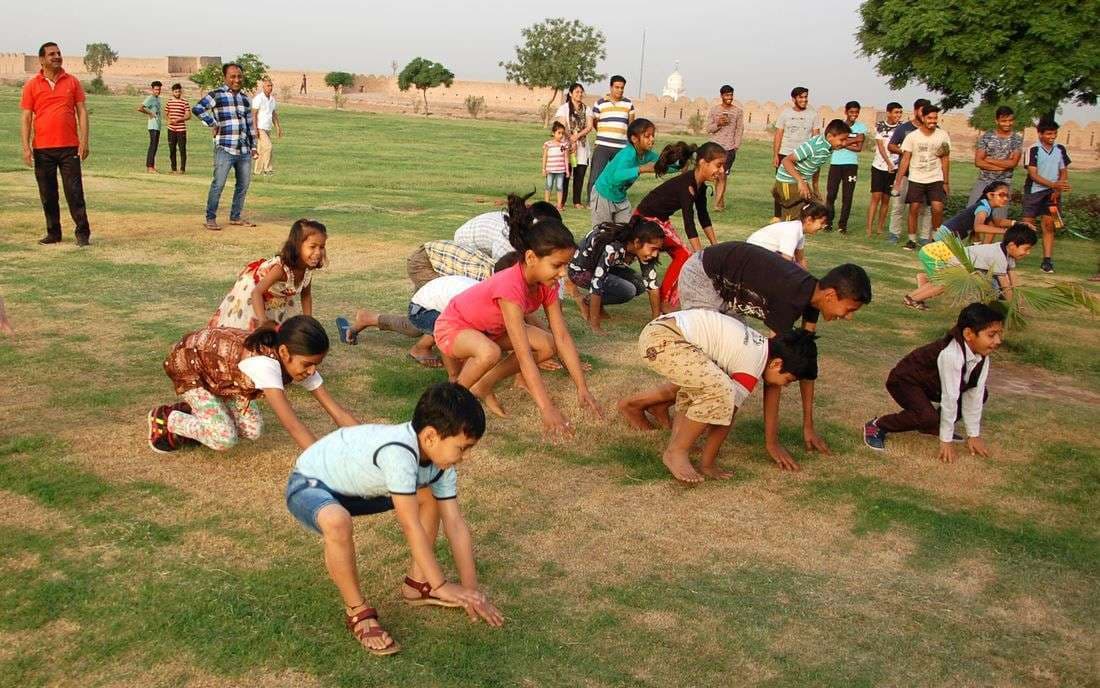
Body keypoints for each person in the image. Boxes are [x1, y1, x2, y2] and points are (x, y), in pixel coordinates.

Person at [285, 382, 504, 657]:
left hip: (359, 490)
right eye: (462, 448)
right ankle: (358, 611)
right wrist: (442, 584)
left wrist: (471, 592)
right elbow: (410, 525)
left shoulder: (441, 464)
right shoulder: (399, 453)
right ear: (431, 437)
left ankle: (416, 585)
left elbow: (455, 525)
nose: (463, 458)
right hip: (310, 484)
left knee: (430, 497)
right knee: (337, 520)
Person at [677, 241, 872, 470]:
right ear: (830, 295)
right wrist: (772, 443)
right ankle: (675, 440)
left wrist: (808, 426)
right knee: (714, 363)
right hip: (703, 275)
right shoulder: (789, 298)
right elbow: (775, 369)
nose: (848, 317)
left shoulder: (812, 299)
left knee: (727, 366)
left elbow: (805, 360)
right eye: (849, 310)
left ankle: (656, 406)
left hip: (726, 287)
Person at [433, 201, 603, 430]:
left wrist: (582, 387)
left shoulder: (547, 284)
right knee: (489, 352)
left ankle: (483, 385)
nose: (563, 273)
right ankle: (453, 402)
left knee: (547, 344)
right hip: (454, 328)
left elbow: (561, 336)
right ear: (531, 257)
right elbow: (522, 355)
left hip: (489, 331)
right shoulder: (511, 286)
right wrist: (546, 408)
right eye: (557, 265)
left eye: (566, 265)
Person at [620, 313, 818, 483]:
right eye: (789, 380)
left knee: (702, 388)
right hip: (662, 340)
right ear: (776, 364)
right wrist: (708, 464)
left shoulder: (757, 347)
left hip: (661, 334)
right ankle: (676, 453)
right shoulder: (753, 361)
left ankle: (677, 447)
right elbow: (727, 414)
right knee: (721, 389)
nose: (784, 385)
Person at [148, 315, 358, 453]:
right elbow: (293, 425)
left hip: (225, 377)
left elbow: (337, 411)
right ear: (284, 352)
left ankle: (203, 413)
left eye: (316, 364)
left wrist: (373, 445)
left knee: (252, 430)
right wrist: (324, 465)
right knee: (225, 438)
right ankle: (169, 418)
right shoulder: (264, 366)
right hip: (191, 366)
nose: (312, 370)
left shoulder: (296, 359)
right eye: (308, 364)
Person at [864, 303, 1003, 463]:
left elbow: (975, 394)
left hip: (930, 385)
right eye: (991, 335)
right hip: (904, 380)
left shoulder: (982, 356)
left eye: (999, 334)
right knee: (926, 416)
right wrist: (946, 440)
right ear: (968, 334)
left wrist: (974, 435)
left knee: (982, 393)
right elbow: (950, 397)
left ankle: (930, 426)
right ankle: (878, 425)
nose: (998, 341)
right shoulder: (951, 354)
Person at [337, 253, 523, 370]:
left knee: (413, 329)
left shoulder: (492, 289)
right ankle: (419, 349)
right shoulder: (483, 298)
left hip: (432, 300)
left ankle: (368, 318)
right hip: (423, 306)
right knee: (445, 330)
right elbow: (456, 327)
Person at [634, 142, 726, 308]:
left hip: (660, 220)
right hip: (646, 219)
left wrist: (716, 247)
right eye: (718, 165)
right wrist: (700, 256)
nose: (721, 171)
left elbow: (703, 217)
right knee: (684, 255)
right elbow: (689, 222)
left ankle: (665, 300)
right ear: (703, 163)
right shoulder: (687, 184)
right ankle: (664, 301)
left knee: (684, 255)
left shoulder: (700, 187)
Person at [20, 41, 92, 246]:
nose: (57, 56)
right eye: (52, 54)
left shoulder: (72, 82)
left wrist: (84, 141)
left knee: (74, 192)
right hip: (42, 149)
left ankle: (82, 233)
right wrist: (26, 147)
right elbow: (26, 117)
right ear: (42, 60)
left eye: (59, 53)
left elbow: (82, 112)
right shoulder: (32, 85)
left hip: (69, 147)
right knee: (48, 194)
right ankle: (53, 233)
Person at [209, 219, 327, 329]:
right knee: (249, 329)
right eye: (312, 247)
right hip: (253, 290)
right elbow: (257, 292)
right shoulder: (280, 269)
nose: (318, 252)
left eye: (321, 247)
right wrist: (263, 321)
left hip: (275, 296)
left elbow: (306, 295)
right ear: (296, 246)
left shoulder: (307, 269)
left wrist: (309, 321)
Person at [903, 224, 1036, 310]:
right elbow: (1006, 286)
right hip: (958, 263)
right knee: (943, 285)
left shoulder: (1007, 254)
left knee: (939, 283)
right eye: (1026, 249)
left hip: (963, 265)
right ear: (1012, 246)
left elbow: (1012, 277)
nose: (1028, 253)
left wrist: (1018, 297)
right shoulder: (999, 256)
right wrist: (1014, 307)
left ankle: (910, 297)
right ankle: (914, 299)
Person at [567, 218, 665, 333]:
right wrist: (595, 326)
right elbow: (597, 283)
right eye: (653, 249)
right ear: (637, 243)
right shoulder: (613, 247)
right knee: (628, 290)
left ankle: (592, 301)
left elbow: (652, 284)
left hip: (603, 268)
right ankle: (589, 303)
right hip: (579, 272)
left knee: (640, 284)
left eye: (658, 250)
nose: (655, 254)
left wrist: (655, 322)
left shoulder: (638, 247)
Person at [192, 62, 257, 231]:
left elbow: (250, 124)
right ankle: (210, 218)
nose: (237, 79)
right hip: (225, 148)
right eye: (233, 76)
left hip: (244, 150)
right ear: (225, 77)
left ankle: (235, 216)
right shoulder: (217, 95)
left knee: (243, 185)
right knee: (218, 184)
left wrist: (254, 146)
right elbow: (198, 108)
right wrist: (212, 123)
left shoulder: (244, 99)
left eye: (239, 76)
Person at [893, 104, 951, 251]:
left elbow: (945, 158)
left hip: (935, 177)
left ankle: (935, 239)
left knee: (937, 208)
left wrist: (945, 181)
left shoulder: (942, 135)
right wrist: (898, 182)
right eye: (930, 118)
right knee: (914, 208)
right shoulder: (913, 136)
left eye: (935, 118)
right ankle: (912, 240)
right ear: (923, 118)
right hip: (916, 177)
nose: (933, 121)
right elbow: (905, 159)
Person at [773, 119, 853, 222]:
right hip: (787, 181)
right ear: (829, 137)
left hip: (800, 181)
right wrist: (801, 181)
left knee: (812, 210)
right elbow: (786, 160)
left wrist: (815, 188)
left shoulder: (828, 148)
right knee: (793, 214)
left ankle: (790, 231)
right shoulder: (815, 146)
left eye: (846, 140)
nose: (844, 143)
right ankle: (782, 232)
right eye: (842, 140)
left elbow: (816, 165)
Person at [1022, 120, 1072, 273]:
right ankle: (1014, 255)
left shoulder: (1060, 149)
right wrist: (1053, 185)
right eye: (1049, 133)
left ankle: (1047, 261)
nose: (1052, 136)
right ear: (1040, 134)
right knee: (1027, 225)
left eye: (1054, 133)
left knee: (1050, 225)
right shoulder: (1033, 149)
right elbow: (1033, 174)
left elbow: (1063, 171)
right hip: (1034, 191)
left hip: (1052, 193)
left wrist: (1058, 188)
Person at [590, 118, 658, 226]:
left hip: (620, 197)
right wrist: (642, 169)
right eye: (647, 136)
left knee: (625, 232)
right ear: (634, 139)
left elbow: (663, 164)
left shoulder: (648, 154)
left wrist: (679, 164)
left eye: (653, 135)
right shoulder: (628, 153)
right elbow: (618, 175)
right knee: (602, 233)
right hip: (604, 194)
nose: (652, 139)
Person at [453, 196, 562, 262]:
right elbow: (500, 270)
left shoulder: (522, 224)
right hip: (465, 244)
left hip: (485, 239)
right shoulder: (508, 239)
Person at [887, 98, 932, 245]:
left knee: (925, 208)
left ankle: (925, 237)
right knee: (898, 205)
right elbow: (891, 146)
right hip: (906, 173)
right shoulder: (905, 128)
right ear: (915, 111)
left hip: (925, 175)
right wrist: (905, 152)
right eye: (921, 110)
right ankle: (894, 234)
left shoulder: (932, 131)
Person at [968, 106, 1023, 226]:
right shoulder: (987, 136)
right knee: (972, 213)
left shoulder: (1016, 139)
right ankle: (975, 243)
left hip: (1003, 183)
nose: (1007, 124)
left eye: (1010, 120)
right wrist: (1003, 165)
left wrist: (989, 159)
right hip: (984, 181)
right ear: (997, 121)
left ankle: (987, 245)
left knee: (996, 219)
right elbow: (978, 162)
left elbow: (1013, 163)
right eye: (1004, 121)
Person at [586, 75, 635, 203]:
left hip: (621, 147)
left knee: (619, 176)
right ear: (611, 87)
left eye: (622, 88)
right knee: (596, 174)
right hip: (602, 145)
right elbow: (595, 122)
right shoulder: (600, 103)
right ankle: (592, 201)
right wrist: (604, 133)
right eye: (617, 87)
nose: (619, 90)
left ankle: (615, 199)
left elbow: (631, 126)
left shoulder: (628, 104)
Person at [772, 87, 818, 219]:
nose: (804, 100)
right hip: (785, 153)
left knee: (801, 185)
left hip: (802, 156)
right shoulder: (785, 114)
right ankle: (777, 216)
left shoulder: (813, 114)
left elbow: (815, 137)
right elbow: (779, 134)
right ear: (794, 99)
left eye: (806, 97)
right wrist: (776, 154)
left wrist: (813, 156)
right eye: (801, 97)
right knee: (780, 185)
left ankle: (800, 215)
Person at [824, 101, 868, 233]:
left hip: (851, 165)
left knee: (847, 196)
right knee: (831, 194)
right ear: (846, 112)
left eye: (856, 112)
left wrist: (842, 144)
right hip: (836, 164)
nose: (854, 115)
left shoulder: (861, 127)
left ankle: (842, 225)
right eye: (851, 112)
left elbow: (859, 147)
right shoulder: (839, 126)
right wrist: (853, 140)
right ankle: (828, 222)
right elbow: (832, 144)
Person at [745, 201, 828, 267]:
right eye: (822, 222)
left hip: (757, 254)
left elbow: (801, 259)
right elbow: (785, 262)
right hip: (752, 256)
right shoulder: (793, 231)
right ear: (809, 220)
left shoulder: (799, 230)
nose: (823, 226)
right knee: (792, 268)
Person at [943, 181, 1022, 245]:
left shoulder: (986, 206)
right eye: (1001, 195)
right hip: (945, 238)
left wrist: (1018, 223)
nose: (1005, 199)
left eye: (1007, 196)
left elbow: (996, 222)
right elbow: (978, 227)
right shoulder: (983, 208)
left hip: (949, 238)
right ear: (990, 195)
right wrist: (1005, 231)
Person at [554, 83, 593, 209]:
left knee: (580, 174)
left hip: (582, 146)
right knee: (566, 174)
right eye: (577, 92)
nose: (579, 94)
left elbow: (589, 126)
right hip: (567, 146)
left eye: (581, 92)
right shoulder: (564, 108)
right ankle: (562, 201)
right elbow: (561, 125)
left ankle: (577, 201)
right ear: (570, 93)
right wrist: (571, 138)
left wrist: (577, 136)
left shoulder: (587, 109)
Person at [867, 102, 903, 237]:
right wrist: (888, 163)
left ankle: (880, 227)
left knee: (886, 199)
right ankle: (869, 227)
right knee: (876, 197)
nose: (898, 115)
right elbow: (881, 147)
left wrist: (894, 164)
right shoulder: (881, 126)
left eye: (900, 112)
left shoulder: (901, 128)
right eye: (896, 112)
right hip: (879, 166)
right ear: (888, 113)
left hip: (894, 168)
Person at [706, 85, 744, 212]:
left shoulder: (738, 112)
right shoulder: (714, 110)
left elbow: (739, 129)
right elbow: (709, 129)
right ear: (721, 96)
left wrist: (736, 145)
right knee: (717, 176)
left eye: (731, 95)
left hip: (729, 148)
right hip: (715, 148)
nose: (730, 98)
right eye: (727, 95)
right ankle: (720, 202)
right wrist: (719, 124)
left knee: (722, 174)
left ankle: (716, 204)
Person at [407, 240, 496, 291]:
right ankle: (394, 322)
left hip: (435, 254)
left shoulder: (496, 265)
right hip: (423, 261)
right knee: (439, 301)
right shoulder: (478, 278)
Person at [252, 76, 282, 175]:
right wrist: (255, 129)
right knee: (268, 147)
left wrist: (278, 127)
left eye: (271, 85)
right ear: (263, 87)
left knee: (261, 149)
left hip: (268, 127)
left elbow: (273, 113)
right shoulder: (258, 98)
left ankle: (257, 171)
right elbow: (254, 114)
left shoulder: (272, 100)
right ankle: (267, 169)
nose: (270, 87)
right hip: (260, 128)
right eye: (268, 86)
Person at [542, 122, 570, 208]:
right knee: (548, 186)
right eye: (559, 133)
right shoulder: (548, 144)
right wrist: (543, 169)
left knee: (559, 187)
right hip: (550, 170)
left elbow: (566, 158)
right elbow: (545, 157)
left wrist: (567, 170)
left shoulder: (564, 145)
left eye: (562, 133)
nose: (561, 135)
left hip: (560, 171)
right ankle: (546, 204)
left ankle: (559, 205)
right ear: (553, 133)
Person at [137, 81, 163, 173]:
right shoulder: (150, 98)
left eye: (159, 89)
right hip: (153, 125)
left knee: (155, 146)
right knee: (153, 146)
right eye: (156, 89)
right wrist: (150, 113)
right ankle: (150, 167)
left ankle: (151, 166)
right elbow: (140, 108)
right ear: (152, 89)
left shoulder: (158, 99)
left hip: (158, 126)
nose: (158, 91)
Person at [165, 83, 191, 174]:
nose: (177, 93)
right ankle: (173, 168)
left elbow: (188, 115)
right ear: (173, 92)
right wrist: (169, 120)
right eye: (176, 92)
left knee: (182, 149)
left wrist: (179, 119)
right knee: (172, 149)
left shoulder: (184, 102)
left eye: (179, 92)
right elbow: (167, 113)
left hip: (181, 129)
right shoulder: (169, 102)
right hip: (171, 129)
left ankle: (182, 169)